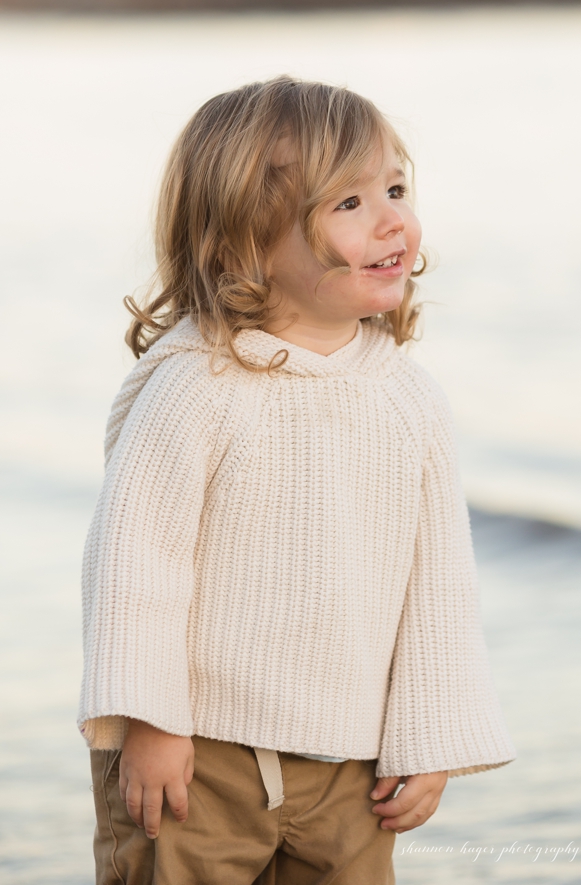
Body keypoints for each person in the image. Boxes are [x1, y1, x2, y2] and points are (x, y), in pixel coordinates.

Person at [80, 76, 515, 883]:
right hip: (196, 754)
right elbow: (138, 565)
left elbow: (438, 584)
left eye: (395, 189)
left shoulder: (409, 399)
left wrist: (430, 738)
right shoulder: (197, 386)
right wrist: (150, 719)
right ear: (243, 240)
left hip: (351, 768)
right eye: (349, 203)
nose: (392, 220)